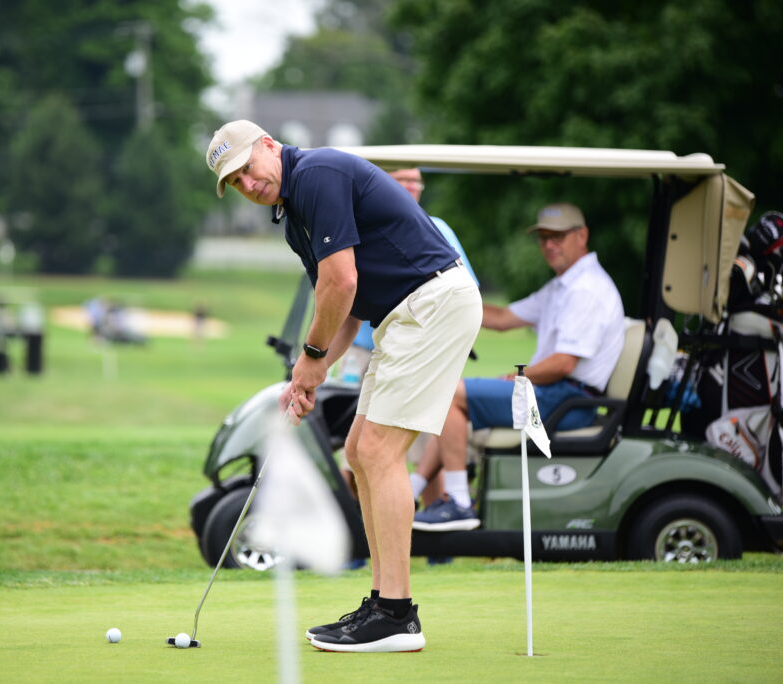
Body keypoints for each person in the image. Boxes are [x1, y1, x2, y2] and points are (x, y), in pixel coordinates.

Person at [206, 120, 482, 653]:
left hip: (431, 304)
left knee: (377, 451)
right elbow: (346, 309)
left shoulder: (318, 173)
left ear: (269, 145)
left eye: (247, 168)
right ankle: (382, 603)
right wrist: (310, 376)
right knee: (358, 452)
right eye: (234, 182)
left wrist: (309, 360)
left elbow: (342, 281)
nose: (247, 183)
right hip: (403, 314)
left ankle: (398, 614)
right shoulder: (294, 220)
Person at [412, 202, 625, 532]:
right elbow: (501, 319)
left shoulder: (587, 290)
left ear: (581, 235)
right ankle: (411, 494)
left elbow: (564, 363)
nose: (549, 245)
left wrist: (517, 377)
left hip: (568, 401)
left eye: (558, 236)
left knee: (450, 394)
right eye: (543, 238)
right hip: (551, 392)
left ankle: (459, 504)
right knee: (452, 397)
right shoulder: (562, 287)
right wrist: (445, 300)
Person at [337, 167, 479, 511]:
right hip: (362, 349)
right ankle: (361, 534)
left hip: (410, 349)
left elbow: (463, 285)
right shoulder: (362, 225)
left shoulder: (436, 227)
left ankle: (430, 534)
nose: (411, 187)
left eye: (417, 181)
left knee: (406, 449)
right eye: (403, 180)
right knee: (354, 449)